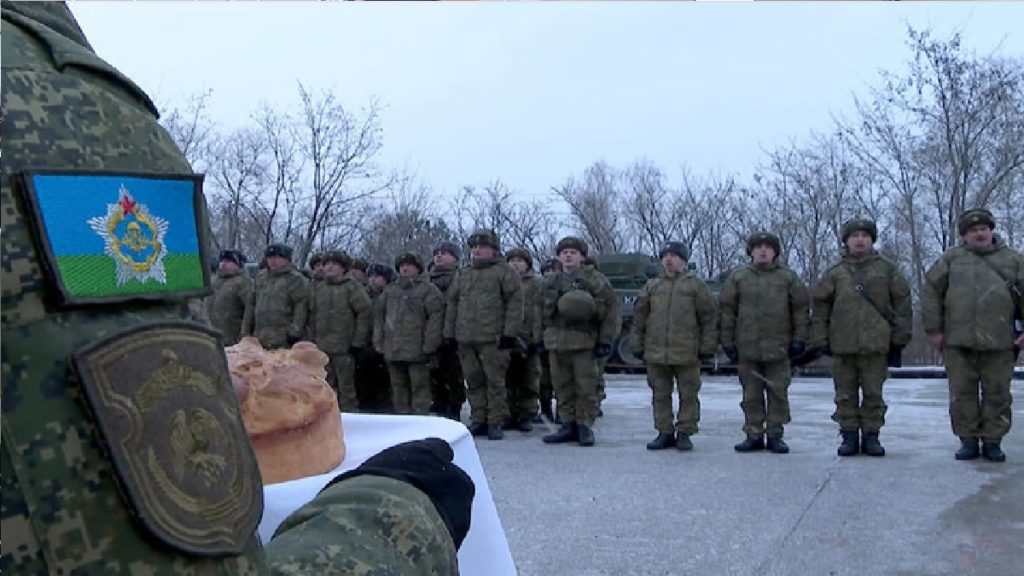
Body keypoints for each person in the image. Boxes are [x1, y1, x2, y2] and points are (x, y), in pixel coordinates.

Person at [0, 2, 472, 573]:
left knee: (413, 388)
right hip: (263, 359)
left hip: (362, 346)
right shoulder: (59, 102)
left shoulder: (340, 288)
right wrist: (393, 517)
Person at [922, 208, 1024, 462]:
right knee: (962, 393)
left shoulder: (1014, 260)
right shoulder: (951, 259)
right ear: (964, 235)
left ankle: (993, 441)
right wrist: (934, 329)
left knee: (998, 393)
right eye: (973, 230)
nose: (979, 234)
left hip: (1001, 341)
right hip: (957, 341)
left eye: (983, 229)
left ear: (991, 230)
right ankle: (967, 440)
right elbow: (931, 291)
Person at [810, 218, 912, 457]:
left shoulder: (887, 270)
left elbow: (903, 304)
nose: (860, 240)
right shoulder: (835, 273)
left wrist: (900, 336)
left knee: (873, 394)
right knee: (844, 395)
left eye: (865, 235)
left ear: (872, 240)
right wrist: (820, 340)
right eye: (854, 235)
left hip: (876, 345)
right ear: (846, 240)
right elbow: (821, 309)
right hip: (842, 345)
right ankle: (848, 436)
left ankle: (871, 436)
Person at [719, 232, 810, 454]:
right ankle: (754, 434)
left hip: (779, 347)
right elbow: (727, 312)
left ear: (775, 252)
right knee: (751, 395)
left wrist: (799, 339)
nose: (762, 250)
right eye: (758, 247)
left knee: (778, 393)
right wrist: (727, 342)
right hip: (747, 348)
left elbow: (800, 311)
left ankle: (775, 435)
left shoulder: (787, 278)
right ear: (750, 252)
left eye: (767, 247)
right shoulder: (739, 278)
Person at [629, 242, 718, 451]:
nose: (669, 259)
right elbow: (640, 318)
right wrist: (637, 343)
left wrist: (708, 346)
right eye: (665, 256)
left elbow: (709, 319)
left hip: (687, 352)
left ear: (683, 261)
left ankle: (685, 432)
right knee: (660, 394)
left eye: (674, 256)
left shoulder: (696, 286)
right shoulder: (652, 286)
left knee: (688, 395)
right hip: (656, 352)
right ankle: (664, 431)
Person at [539, 237, 620, 447]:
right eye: (564, 252)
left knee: (585, 386)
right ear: (559, 256)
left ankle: (584, 426)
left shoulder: (595, 280)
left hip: (585, 342)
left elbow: (611, 311)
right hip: (556, 342)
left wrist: (605, 340)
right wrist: (538, 339)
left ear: (582, 257)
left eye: (573, 252)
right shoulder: (550, 282)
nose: (568, 256)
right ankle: (567, 424)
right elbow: (537, 312)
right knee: (562, 386)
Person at [444, 229, 523, 440]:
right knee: (473, 380)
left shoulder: (504, 272)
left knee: (495, 382)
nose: (477, 251)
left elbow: (515, 305)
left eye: (483, 247)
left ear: (494, 249)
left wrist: (509, 334)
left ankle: (495, 421)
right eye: (474, 247)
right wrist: (449, 333)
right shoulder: (463, 273)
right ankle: (478, 418)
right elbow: (452, 304)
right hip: (466, 338)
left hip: (493, 339)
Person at [375, 253, 445, 415]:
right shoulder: (390, 290)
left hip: (418, 349)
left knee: (420, 386)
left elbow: (436, 318)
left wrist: (430, 345)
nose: (405, 269)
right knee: (398, 387)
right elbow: (379, 317)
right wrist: (378, 341)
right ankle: (402, 417)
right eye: (402, 266)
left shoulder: (429, 290)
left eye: (409, 265)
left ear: (418, 268)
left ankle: (420, 418)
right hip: (393, 348)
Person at [308, 250, 372, 412]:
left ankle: (350, 417)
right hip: (322, 347)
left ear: (343, 268)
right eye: (327, 264)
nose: (329, 267)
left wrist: (358, 341)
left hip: (345, 348)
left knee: (346, 388)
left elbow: (364, 313)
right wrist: (312, 341)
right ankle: (326, 417)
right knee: (324, 386)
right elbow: (313, 316)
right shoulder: (319, 288)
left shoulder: (352, 287)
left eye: (334, 264)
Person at [504, 247, 544, 431]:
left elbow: (540, 313)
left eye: (520, 261)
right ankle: (508, 413)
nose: (515, 264)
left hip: (529, 338)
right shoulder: (503, 282)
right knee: (506, 379)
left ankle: (527, 414)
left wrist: (537, 338)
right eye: (512, 261)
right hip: (506, 338)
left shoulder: (536, 284)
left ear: (527, 264)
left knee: (529, 379)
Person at [244, 243, 311, 349]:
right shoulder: (261, 278)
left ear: (287, 259)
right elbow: (251, 305)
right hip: (259, 338)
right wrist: (246, 331)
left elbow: (301, 306)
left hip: (283, 339)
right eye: (270, 257)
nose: (273, 261)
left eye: (278, 257)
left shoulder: (296, 279)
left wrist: (295, 333)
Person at [428, 241, 467, 420]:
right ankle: (439, 404)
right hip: (431, 333)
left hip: (455, 332)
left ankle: (454, 407)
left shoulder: (462, 278)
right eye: (437, 253)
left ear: (455, 258)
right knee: (434, 373)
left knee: (454, 373)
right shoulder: (426, 280)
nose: (439, 256)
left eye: (444, 253)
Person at [356, 263, 397, 413]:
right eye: (371, 276)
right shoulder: (361, 295)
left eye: (378, 276)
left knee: (385, 385)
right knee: (365, 383)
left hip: (387, 346)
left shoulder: (393, 295)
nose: (373, 280)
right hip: (365, 345)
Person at [207, 249, 253, 345]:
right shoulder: (213, 281)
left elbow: (249, 309)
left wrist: (244, 333)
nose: (223, 264)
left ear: (238, 264)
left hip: (231, 338)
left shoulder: (244, 282)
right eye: (222, 261)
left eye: (228, 261)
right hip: (210, 335)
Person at [537, 257, 563, 420]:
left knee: (562, 380)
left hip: (562, 341)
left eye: (553, 270)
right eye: (547, 271)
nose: (550, 274)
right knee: (543, 380)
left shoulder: (566, 288)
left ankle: (562, 414)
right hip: (544, 339)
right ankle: (545, 411)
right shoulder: (539, 290)